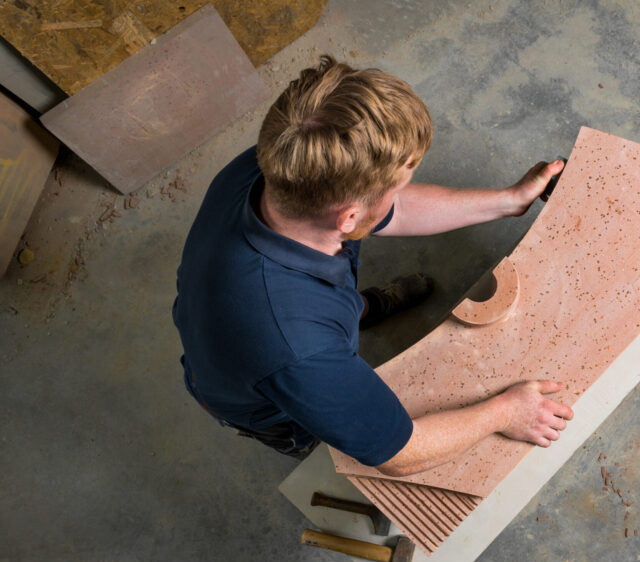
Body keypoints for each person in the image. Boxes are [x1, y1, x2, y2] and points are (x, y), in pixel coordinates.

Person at [172, 55, 572, 476]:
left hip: (243, 314)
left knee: (331, 313)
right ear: (347, 218)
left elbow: (389, 212)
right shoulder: (297, 349)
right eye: (398, 184)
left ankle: (363, 308)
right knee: (332, 431)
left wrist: (509, 202)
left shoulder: (280, 165)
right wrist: (506, 412)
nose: (401, 191)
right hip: (263, 397)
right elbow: (399, 454)